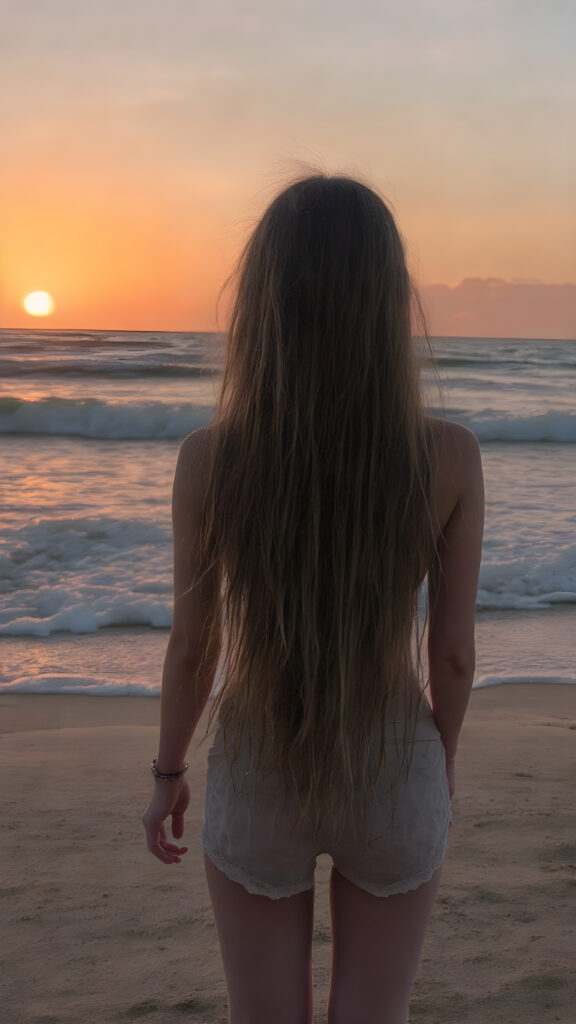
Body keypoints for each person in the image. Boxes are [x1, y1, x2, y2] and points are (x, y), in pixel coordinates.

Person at [142, 173, 484, 1024]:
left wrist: (168, 773)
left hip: (263, 759)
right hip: (392, 755)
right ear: (386, 300)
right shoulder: (448, 456)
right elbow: (453, 653)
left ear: (263, 300)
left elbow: (195, 646)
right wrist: (437, 759)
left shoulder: (210, 459)